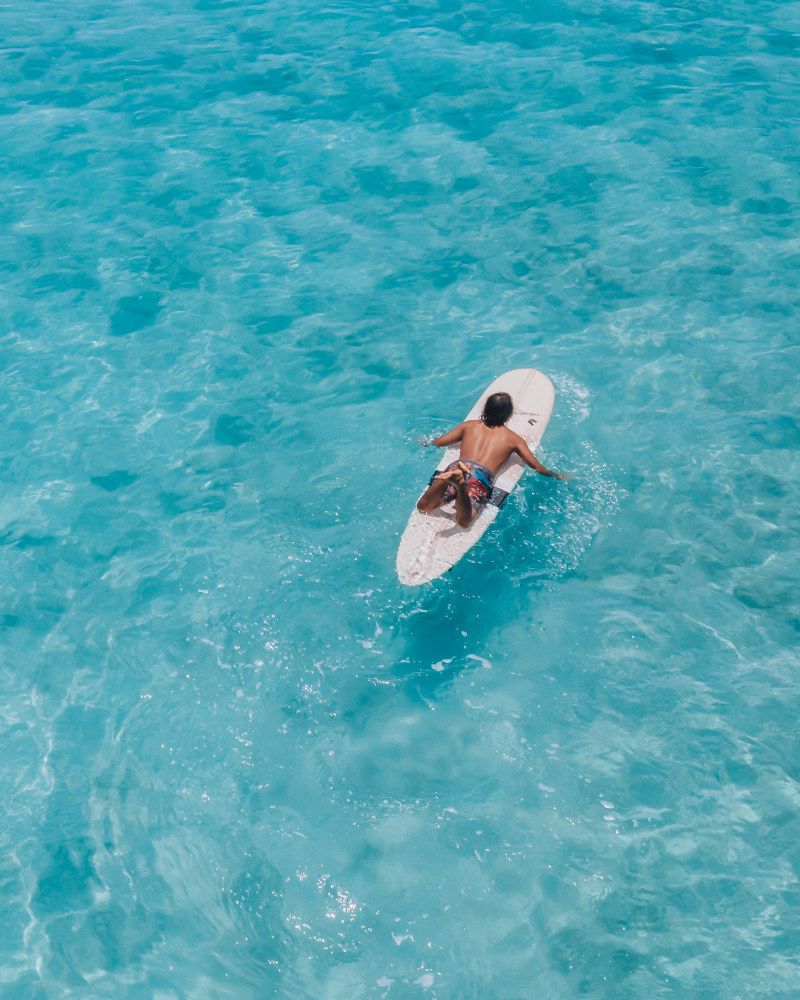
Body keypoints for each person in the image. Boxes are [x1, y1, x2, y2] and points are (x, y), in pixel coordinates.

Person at [416, 391, 568, 528]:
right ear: (509, 415)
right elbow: (538, 468)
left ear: (485, 409)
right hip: (480, 475)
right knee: (464, 521)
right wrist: (557, 476)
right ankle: (460, 485)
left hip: (459, 465)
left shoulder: (468, 426)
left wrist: (426, 442)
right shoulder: (514, 439)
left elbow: (439, 442)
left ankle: (451, 478)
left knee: (423, 506)